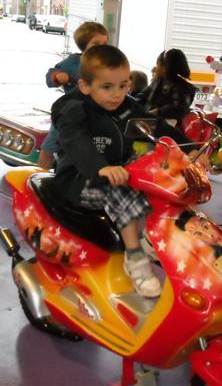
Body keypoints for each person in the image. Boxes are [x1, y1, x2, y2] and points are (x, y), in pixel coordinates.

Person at [51, 45, 197, 298]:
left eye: (123, 85)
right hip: (79, 178)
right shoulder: (75, 110)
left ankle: (155, 241)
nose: (117, 94)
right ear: (85, 86)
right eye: (107, 87)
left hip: (120, 170)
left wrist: (190, 149)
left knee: (166, 188)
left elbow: (156, 126)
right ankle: (135, 259)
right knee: (121, 194)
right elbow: (76, 141)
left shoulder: (127, 107)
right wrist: (101, 167)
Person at [38, 21, 109, 170]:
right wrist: (57, 77)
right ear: (84, 46)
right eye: (96, 43)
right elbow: (50, 77)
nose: (102, 47)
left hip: (96, 114)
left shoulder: (108, 63)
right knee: (50, 146)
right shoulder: (73, 62)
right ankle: (40, 172)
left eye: (105, 43)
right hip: (70, 112)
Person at [136, 48, 196, 125]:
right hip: (150, 123)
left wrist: (158, 111)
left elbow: (180, 109)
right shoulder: (157, 82)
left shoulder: (182, 87)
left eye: (158, 64)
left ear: (165, 68)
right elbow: (143, 96)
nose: (156, 68)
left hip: (166, 127)